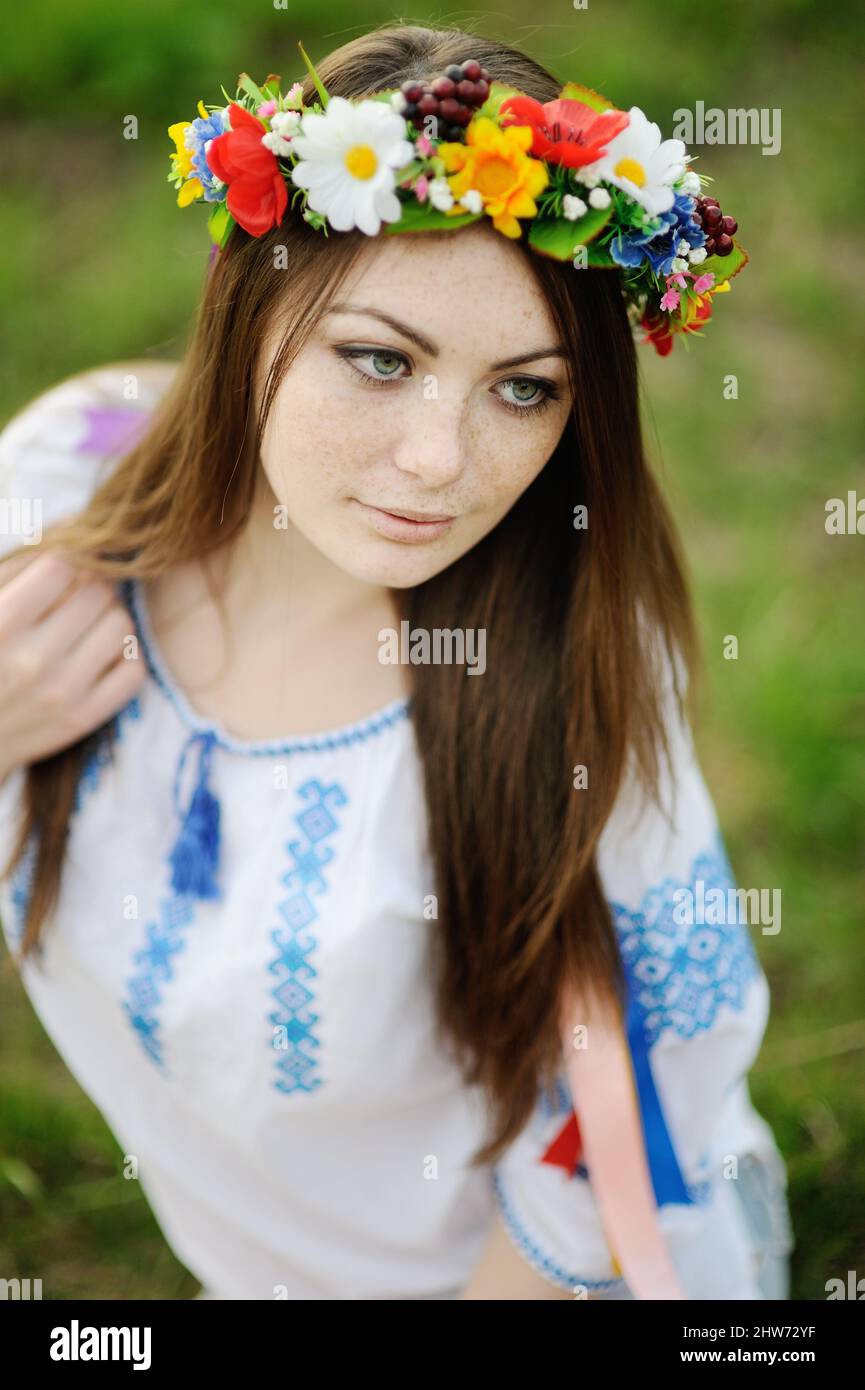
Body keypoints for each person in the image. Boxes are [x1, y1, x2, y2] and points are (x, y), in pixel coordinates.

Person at [0, 23, 793, 1300]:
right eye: (382, 360)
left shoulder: (574, 682)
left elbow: (643, 1094)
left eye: (525, 389)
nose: (441, 460)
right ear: (253, 310)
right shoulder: (52, 493)